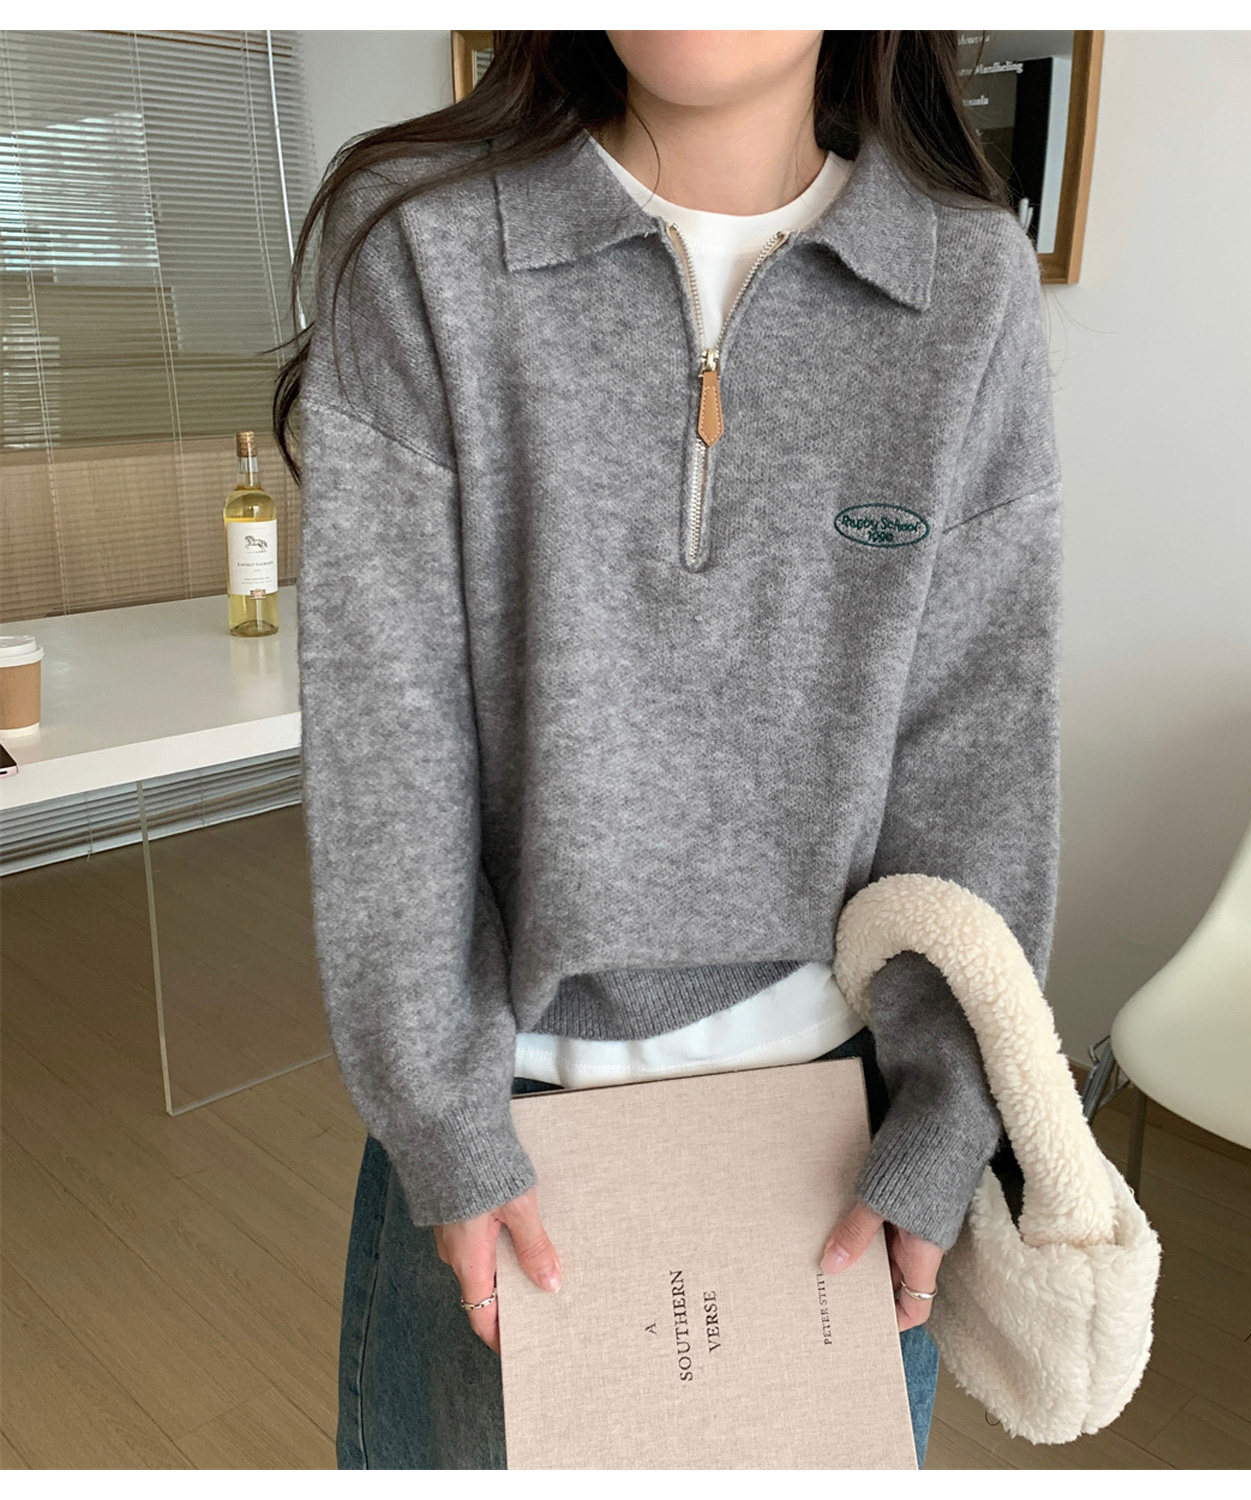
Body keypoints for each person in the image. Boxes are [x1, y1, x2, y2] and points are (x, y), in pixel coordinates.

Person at [276, 29, 1063, 1471]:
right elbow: (391, 751)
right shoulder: (428, 253)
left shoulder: (967, 283)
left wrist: (951, 1120)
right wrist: (446, 1122)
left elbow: (978, 751)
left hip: (844, 1149)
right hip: (509, 1149)